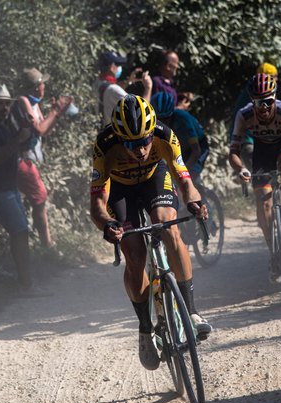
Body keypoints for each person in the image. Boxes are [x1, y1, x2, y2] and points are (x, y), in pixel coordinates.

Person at [90, 95, 212, 371]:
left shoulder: (165, 135)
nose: (141, 148)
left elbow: (184, 178)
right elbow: (97, 202)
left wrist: (195, 201)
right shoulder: (104, 145)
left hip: (154, 179)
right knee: (134, 253)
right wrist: (108, 224)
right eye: (132, 144)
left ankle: (191, 311)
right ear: (119, 138)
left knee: (169, 229)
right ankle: (145, 329)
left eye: (144, 140)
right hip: (120, 190)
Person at [228, 73, 281, 283]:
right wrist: (240, 170)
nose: (264, 107)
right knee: (263, 204)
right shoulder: (244, 115)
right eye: (259, 102)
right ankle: (274, 253)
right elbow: (233, 153)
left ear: (274, 98)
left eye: (268, 101)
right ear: (252, 101)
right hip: (262, 152)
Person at [0, 84, 36, 291]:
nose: (4, 108)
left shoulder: (1, 126)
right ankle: (25, 284)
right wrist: (17, 140)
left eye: (6, 104)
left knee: (20, 232)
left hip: (6, 188)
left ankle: (23, 281)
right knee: (19, 232)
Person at [15, 67, 72, 248]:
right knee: (39, 198)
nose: (44, 87)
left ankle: (42, 243)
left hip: (29, 159)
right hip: (21, 159)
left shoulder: (34, 102)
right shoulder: (23, 100)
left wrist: (58, 113)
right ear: (36, 87)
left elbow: (43, 131)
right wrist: (55, 111)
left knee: (37, 199)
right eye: (42, 84)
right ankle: (46, 245)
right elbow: (39, 129)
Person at [150, 91, 210, 183]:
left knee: (189, 178)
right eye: (159, 119)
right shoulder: (152, 121)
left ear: (171, 113)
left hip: (199, 146)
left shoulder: (183, 119)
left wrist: (183, 174)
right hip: (182, 147)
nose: (163, 123)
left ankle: (202, 192)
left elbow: (196, 151)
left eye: (166, 119)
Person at [229, 62, 279, 169]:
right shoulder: (261, 93)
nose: (277, 80)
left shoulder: (252, 88)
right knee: (260, 172)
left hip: (254, 136)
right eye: (275, 77)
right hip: (247, 138)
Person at [94, 50, 152, 125]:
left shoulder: (97, 83)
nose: (120, 68)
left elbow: (108, 89)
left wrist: (128, 82)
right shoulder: (114, 90)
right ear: (112, 67)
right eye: (118, 65)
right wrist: (148, 88)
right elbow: (141, 111)